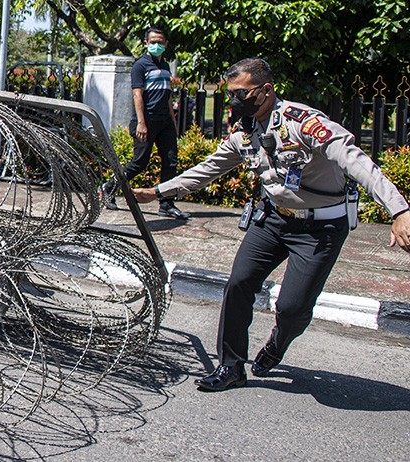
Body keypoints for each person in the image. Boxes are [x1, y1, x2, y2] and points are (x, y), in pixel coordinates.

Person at [132, 57, 410, 391]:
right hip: (273, 220)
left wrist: (399, 211)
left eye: (242, 94)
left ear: (266, 90)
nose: (236, 101)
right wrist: (158, 191)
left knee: (292, 308)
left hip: (320, 230)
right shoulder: (245, 132)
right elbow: (209, 168)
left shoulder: (304, 123)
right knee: (238, 284)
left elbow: (358, 163)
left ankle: (279, 341)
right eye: (231, 94)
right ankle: (232, 366)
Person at [101, 27, 189, 219]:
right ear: (146, 44)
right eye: (153, 42)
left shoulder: (165, 66)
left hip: (164, 121)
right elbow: (137, 94)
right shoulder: (140, 66)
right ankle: (109, 188)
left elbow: (167, 97)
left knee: (170, 161)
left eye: (161, 42)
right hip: (146, 120)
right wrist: (141, 122)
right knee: (139, 162)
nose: (157, 45)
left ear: (166, 44)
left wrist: (172, 122)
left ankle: (166, 204)